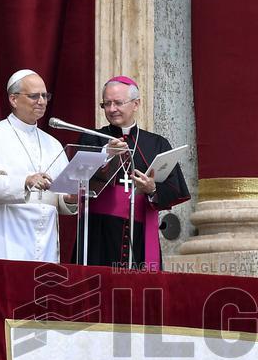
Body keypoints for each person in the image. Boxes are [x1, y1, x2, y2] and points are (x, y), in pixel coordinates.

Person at [75, 75, 190, 268]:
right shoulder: (91, 139)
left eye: (118, 103)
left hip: (141, 233)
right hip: (99, 234)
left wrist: (153, 189)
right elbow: (77, 181)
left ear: (136, 104)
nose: (112, 109)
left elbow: (174, 189)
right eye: (107, 104)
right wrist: (107, 154)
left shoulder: (157, 143)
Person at [0, 69, 76, 262]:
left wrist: (71, 199)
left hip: (45, 235)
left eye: (44, 95)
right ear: (13, 100)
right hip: (7, 232)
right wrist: (24, 181)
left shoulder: (53, 143)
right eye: (34, 96)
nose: (41, 101)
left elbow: (60, 198)